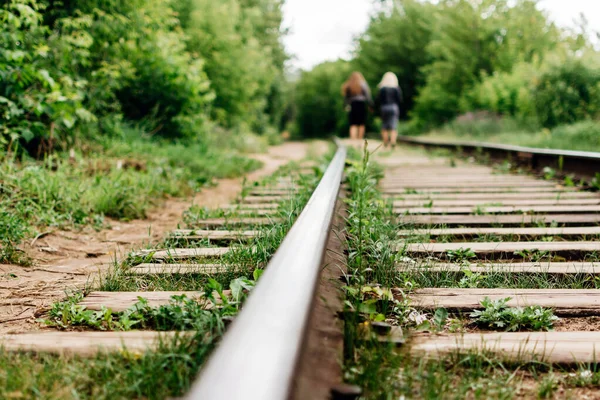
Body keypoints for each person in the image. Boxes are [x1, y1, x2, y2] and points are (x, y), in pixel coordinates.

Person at [341, 72, 372, 140]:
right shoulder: (363, 84)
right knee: (361, 123)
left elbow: (346, 98)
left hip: (353, 105)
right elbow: (368, 96)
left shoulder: (349, 85)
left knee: (353, 124)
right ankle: (359, 139)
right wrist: (370, 105)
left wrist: (344, 106)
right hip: (361, 105)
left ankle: (353, 140)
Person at [377, 72, 402, 148]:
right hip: (394, 107)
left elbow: (378, 99)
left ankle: (385, 142)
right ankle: (393, 141)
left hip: (384, 107)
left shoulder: (382, 89)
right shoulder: (396, 88)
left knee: (384, 125)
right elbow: (400, 100)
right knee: (393, 125)